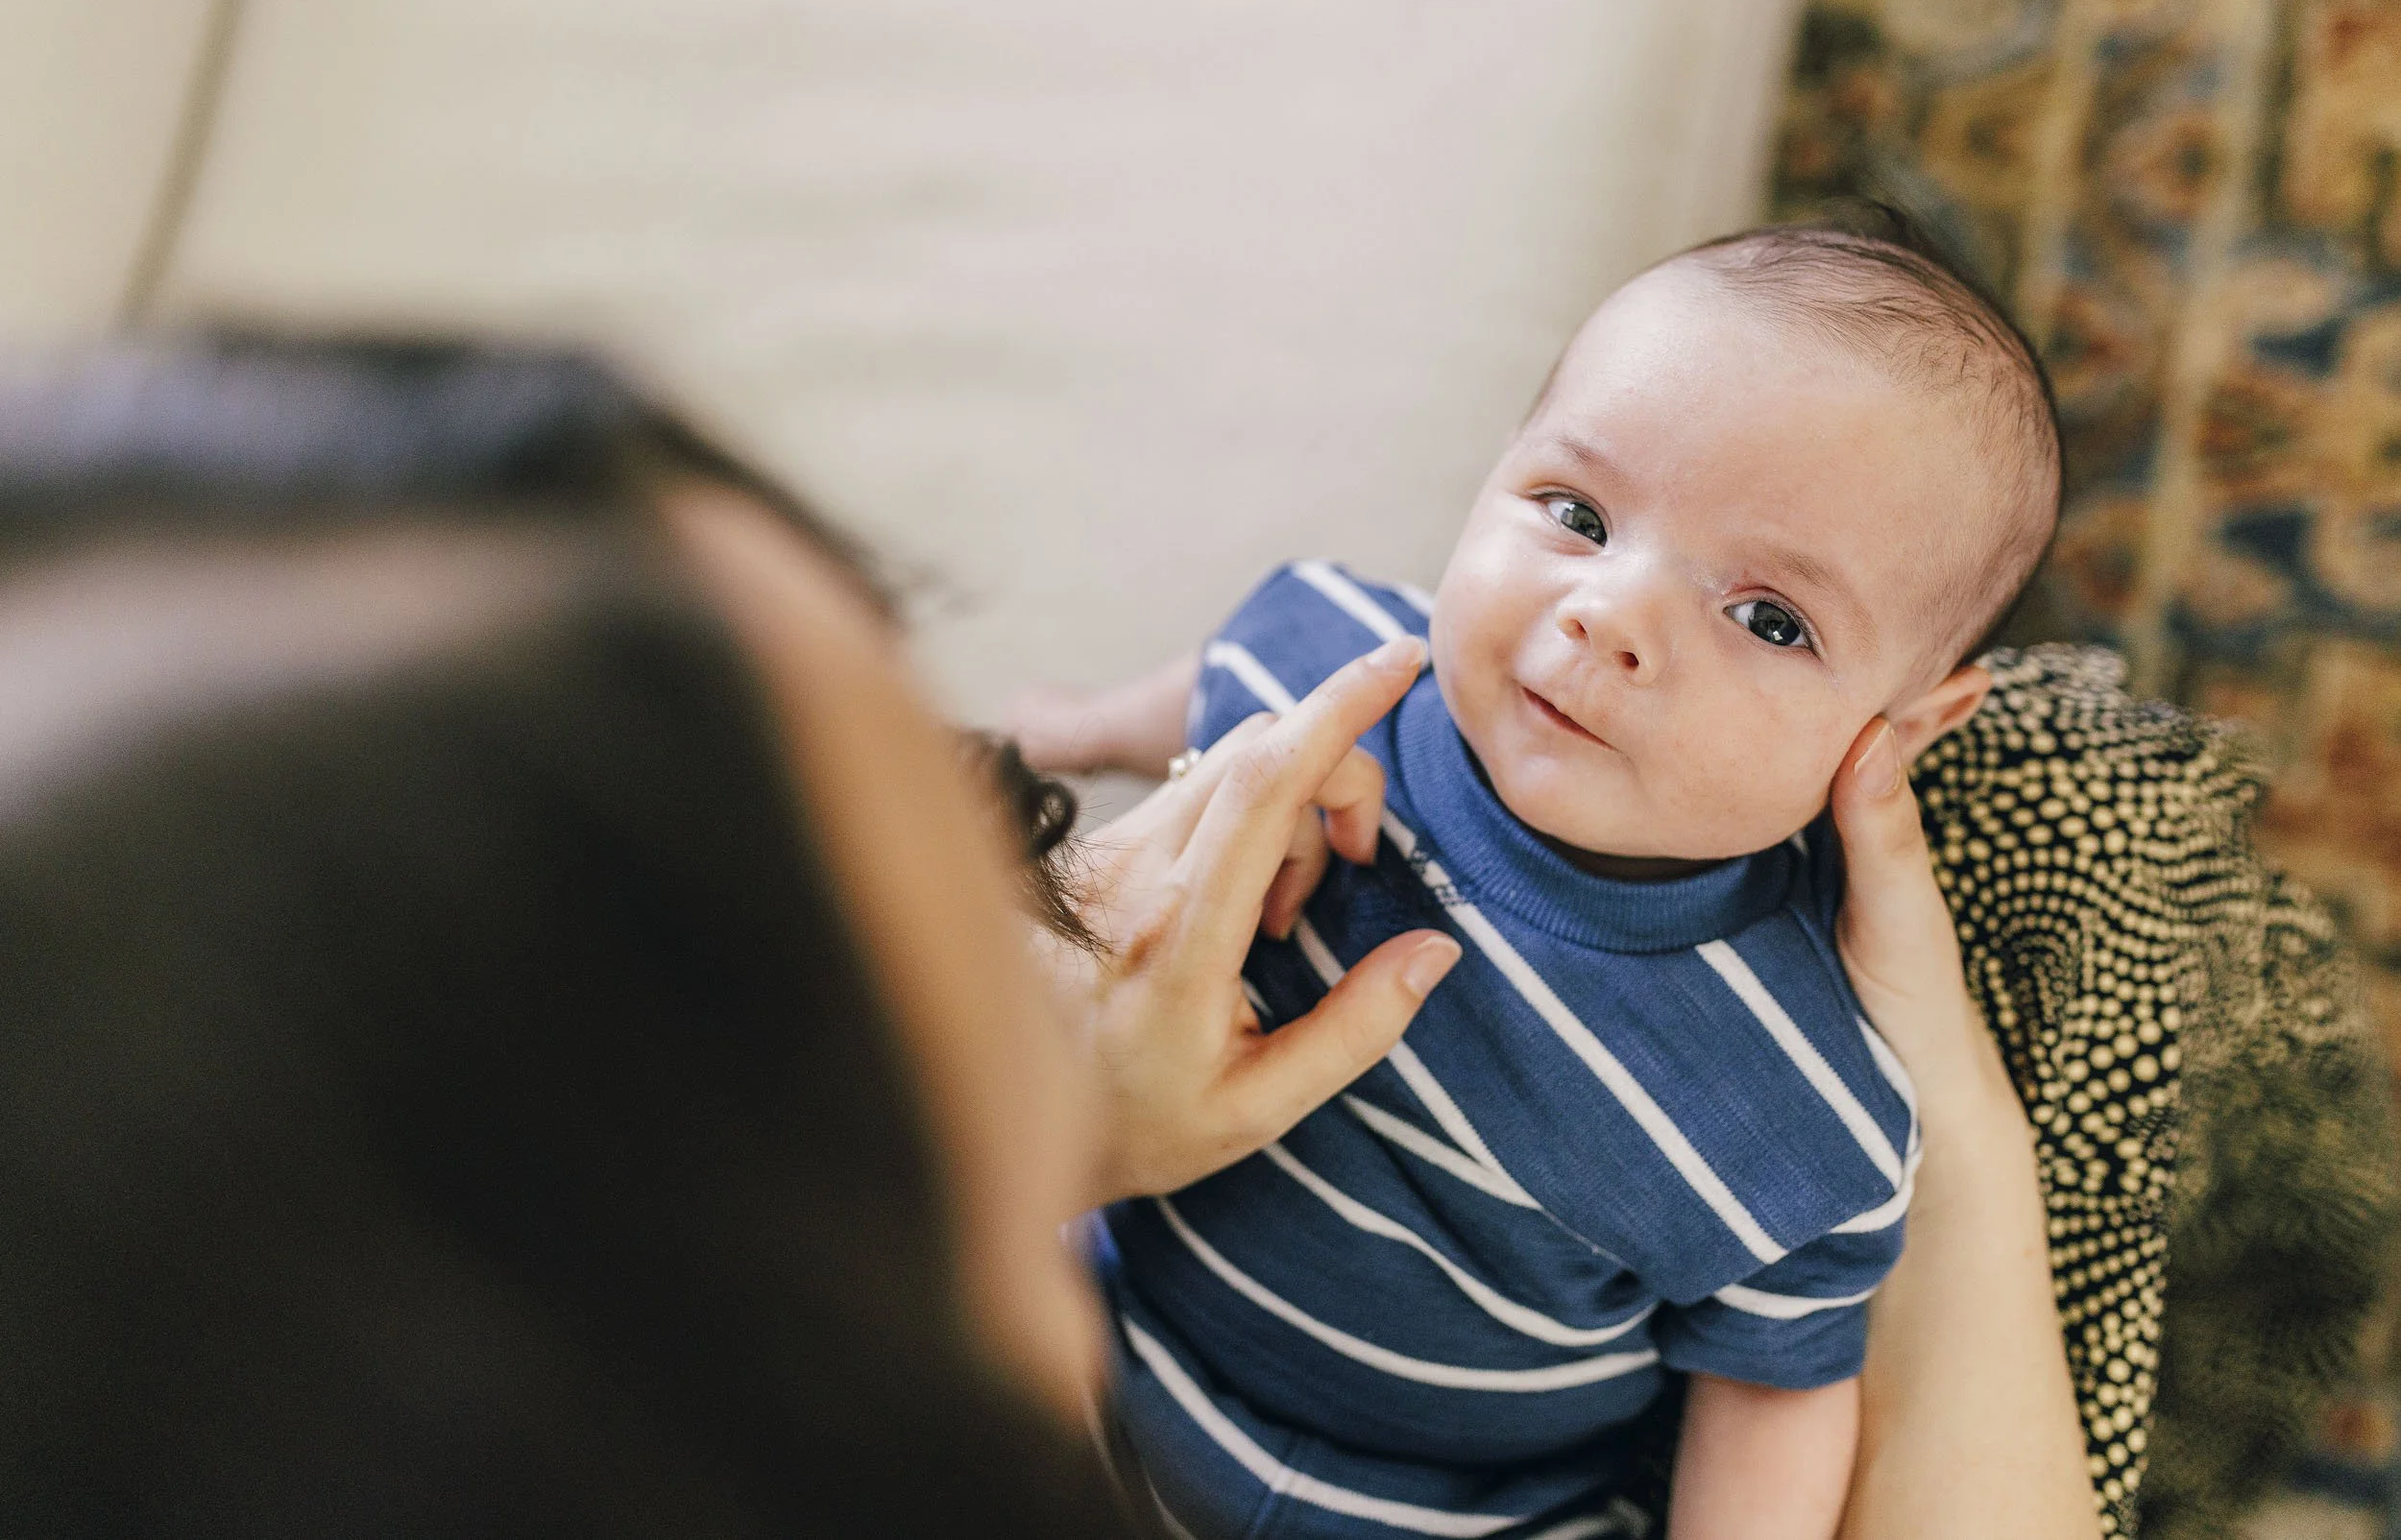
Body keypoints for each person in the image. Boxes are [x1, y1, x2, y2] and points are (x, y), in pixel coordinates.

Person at [0, 335, 2096, 1539]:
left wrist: (1931, 1118)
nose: (1100, 878)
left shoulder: (1788, 1098)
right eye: (951, 865)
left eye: (980, 779)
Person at [1008, 210, 2065, 1538]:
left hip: (1452, 1516)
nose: (1609, 613)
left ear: (1904, 724)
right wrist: (1082, 730)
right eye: (1577, 513)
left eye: (1769, 618)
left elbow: (1776, 1391)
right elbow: (1217, 698)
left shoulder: (1803, 1107)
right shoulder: (1334, 669)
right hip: (1095, 1347)